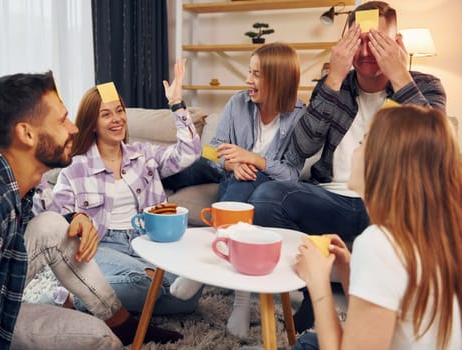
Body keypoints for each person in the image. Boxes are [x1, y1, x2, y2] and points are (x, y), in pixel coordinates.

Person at [0, 71, 181, 349]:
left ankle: (123, 323)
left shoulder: (12, 182)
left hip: (0, 287)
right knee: (102, 341)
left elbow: (38, 229)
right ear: (26, 134)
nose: (75, 128)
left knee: (53, 224)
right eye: (62, 119)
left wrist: (75, 217)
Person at [248, 1, 447, 333]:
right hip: (334, 198)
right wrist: (334, 78)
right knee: (266, 196)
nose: (367, 51)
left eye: (378, 40)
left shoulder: (426, 86)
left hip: (390, 203)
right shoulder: (334, 86)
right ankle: (312, 293)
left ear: (398, 43)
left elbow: (433, 149)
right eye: (359, 40)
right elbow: (299, 150)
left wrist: (400, 76)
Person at [35, 59, 204, 316]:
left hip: (147, 239)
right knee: (142, 282)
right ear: (91, 123)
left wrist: (176, 104)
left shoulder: (144, 154)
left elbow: (189, 152)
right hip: (102, 246)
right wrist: (33, 176)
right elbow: (53, 218)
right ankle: (67, 299)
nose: (117, 119)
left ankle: (102, 299)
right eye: (106, 114)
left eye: (119, 111)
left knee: (190, 294)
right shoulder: (75, 168)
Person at [164, 42, 306, 337]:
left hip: (270, 188)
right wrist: (233, 163)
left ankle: (200, 273)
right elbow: (214, 151)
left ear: (277, 80)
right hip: (231, 175)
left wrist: (253, 159)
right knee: (214, 169)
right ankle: (240, 305)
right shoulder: (237, 103)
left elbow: (291, 173)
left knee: (250, 179)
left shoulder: (299, 117)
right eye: (249, 72)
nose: (247, 81)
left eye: (256, 75)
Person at [293, 105, 462, 349]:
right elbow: (380, 320)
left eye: (363, 142)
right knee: (311, 341)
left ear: (386, 161)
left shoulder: (380, 244)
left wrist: (317, 281)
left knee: (305, 344)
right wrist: (351, 269)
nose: (354, 150)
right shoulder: (440, 235)